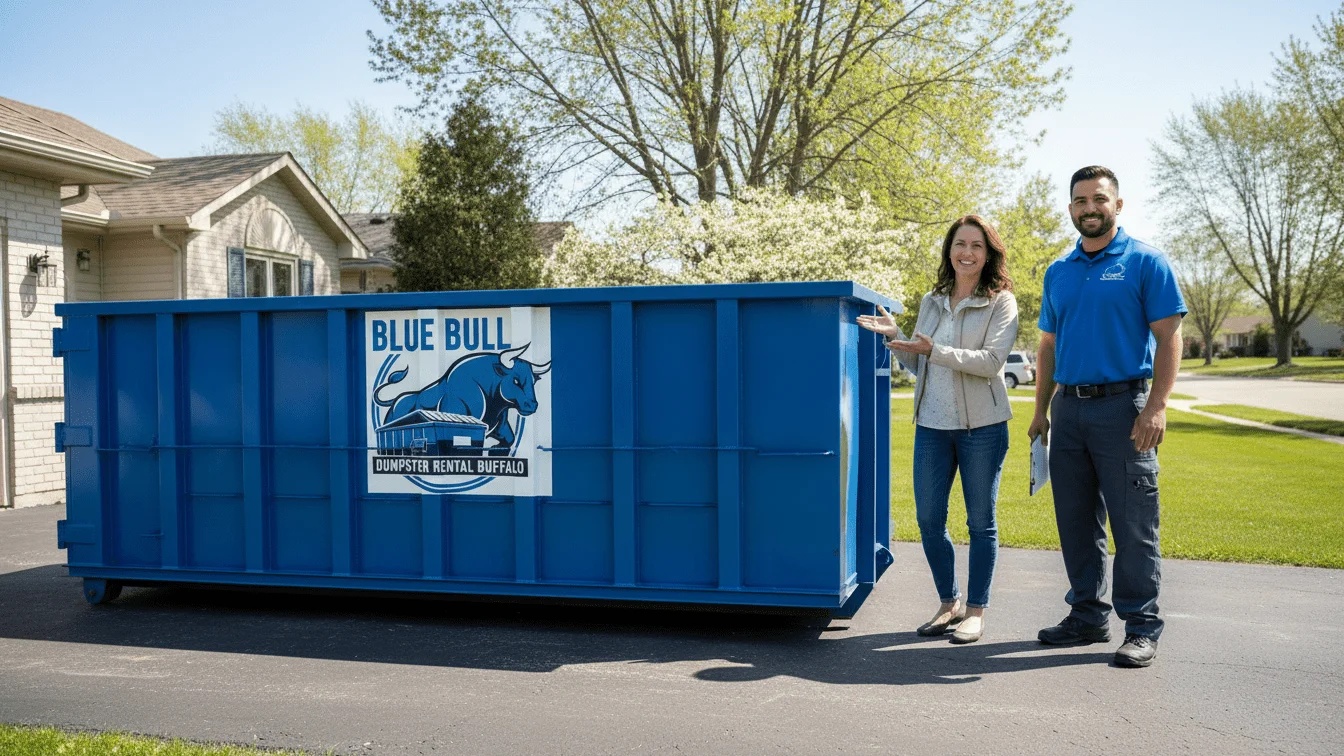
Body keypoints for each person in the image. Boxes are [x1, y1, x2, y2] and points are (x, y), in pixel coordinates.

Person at [1028, 166, 1186, 668]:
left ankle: (1141, 626)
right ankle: (1087, 616)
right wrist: (1041, 408)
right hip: (1069, 410)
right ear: (1071, 208)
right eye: (1080, 200)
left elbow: (1169, 338)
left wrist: (1157, 406)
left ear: (1118, 205)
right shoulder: (1059, 271)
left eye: (1099, 199)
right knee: (1076, 521)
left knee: (1133, 523)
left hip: (1125, 409)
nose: (1089, 208)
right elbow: (1048, 345)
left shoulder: (1146, 262)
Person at [858, 215, 1018, 644]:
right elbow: (921, 363)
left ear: (989, 254)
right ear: (950, 250)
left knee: (980, 522)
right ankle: (949, 603)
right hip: (931, 424)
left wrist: (936, 349)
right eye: (960, 244)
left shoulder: (1000, 301)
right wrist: (899, 337)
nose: (967, 252)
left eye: (977, 246)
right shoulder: (933, 300)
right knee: (929, 519)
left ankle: (976, 611)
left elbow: (990, 362)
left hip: (982, 427)